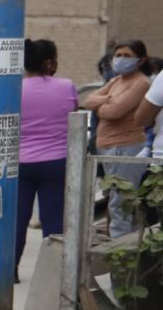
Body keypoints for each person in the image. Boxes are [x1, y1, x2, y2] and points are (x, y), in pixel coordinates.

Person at [15, 39, 78, 276]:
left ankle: (11, 270)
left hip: (20, 164)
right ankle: (52, 275)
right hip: (56, 162)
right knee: (53, 222)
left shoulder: (14, 88)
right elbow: (73, 116)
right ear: (49, 62)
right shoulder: (66, 86)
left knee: (17, 221)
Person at [81, 38, 152, 237]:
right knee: (116, 201)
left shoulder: (140, 84)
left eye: (127, 56)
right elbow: (88, 101)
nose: (120, 60)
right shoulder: (116, 81)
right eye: (118, 55)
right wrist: (106, 99)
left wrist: (102, 106)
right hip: (110, 148)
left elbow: (114, 112)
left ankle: (122, 254)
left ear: (140, 60)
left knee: (121, 204)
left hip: (126, 147)